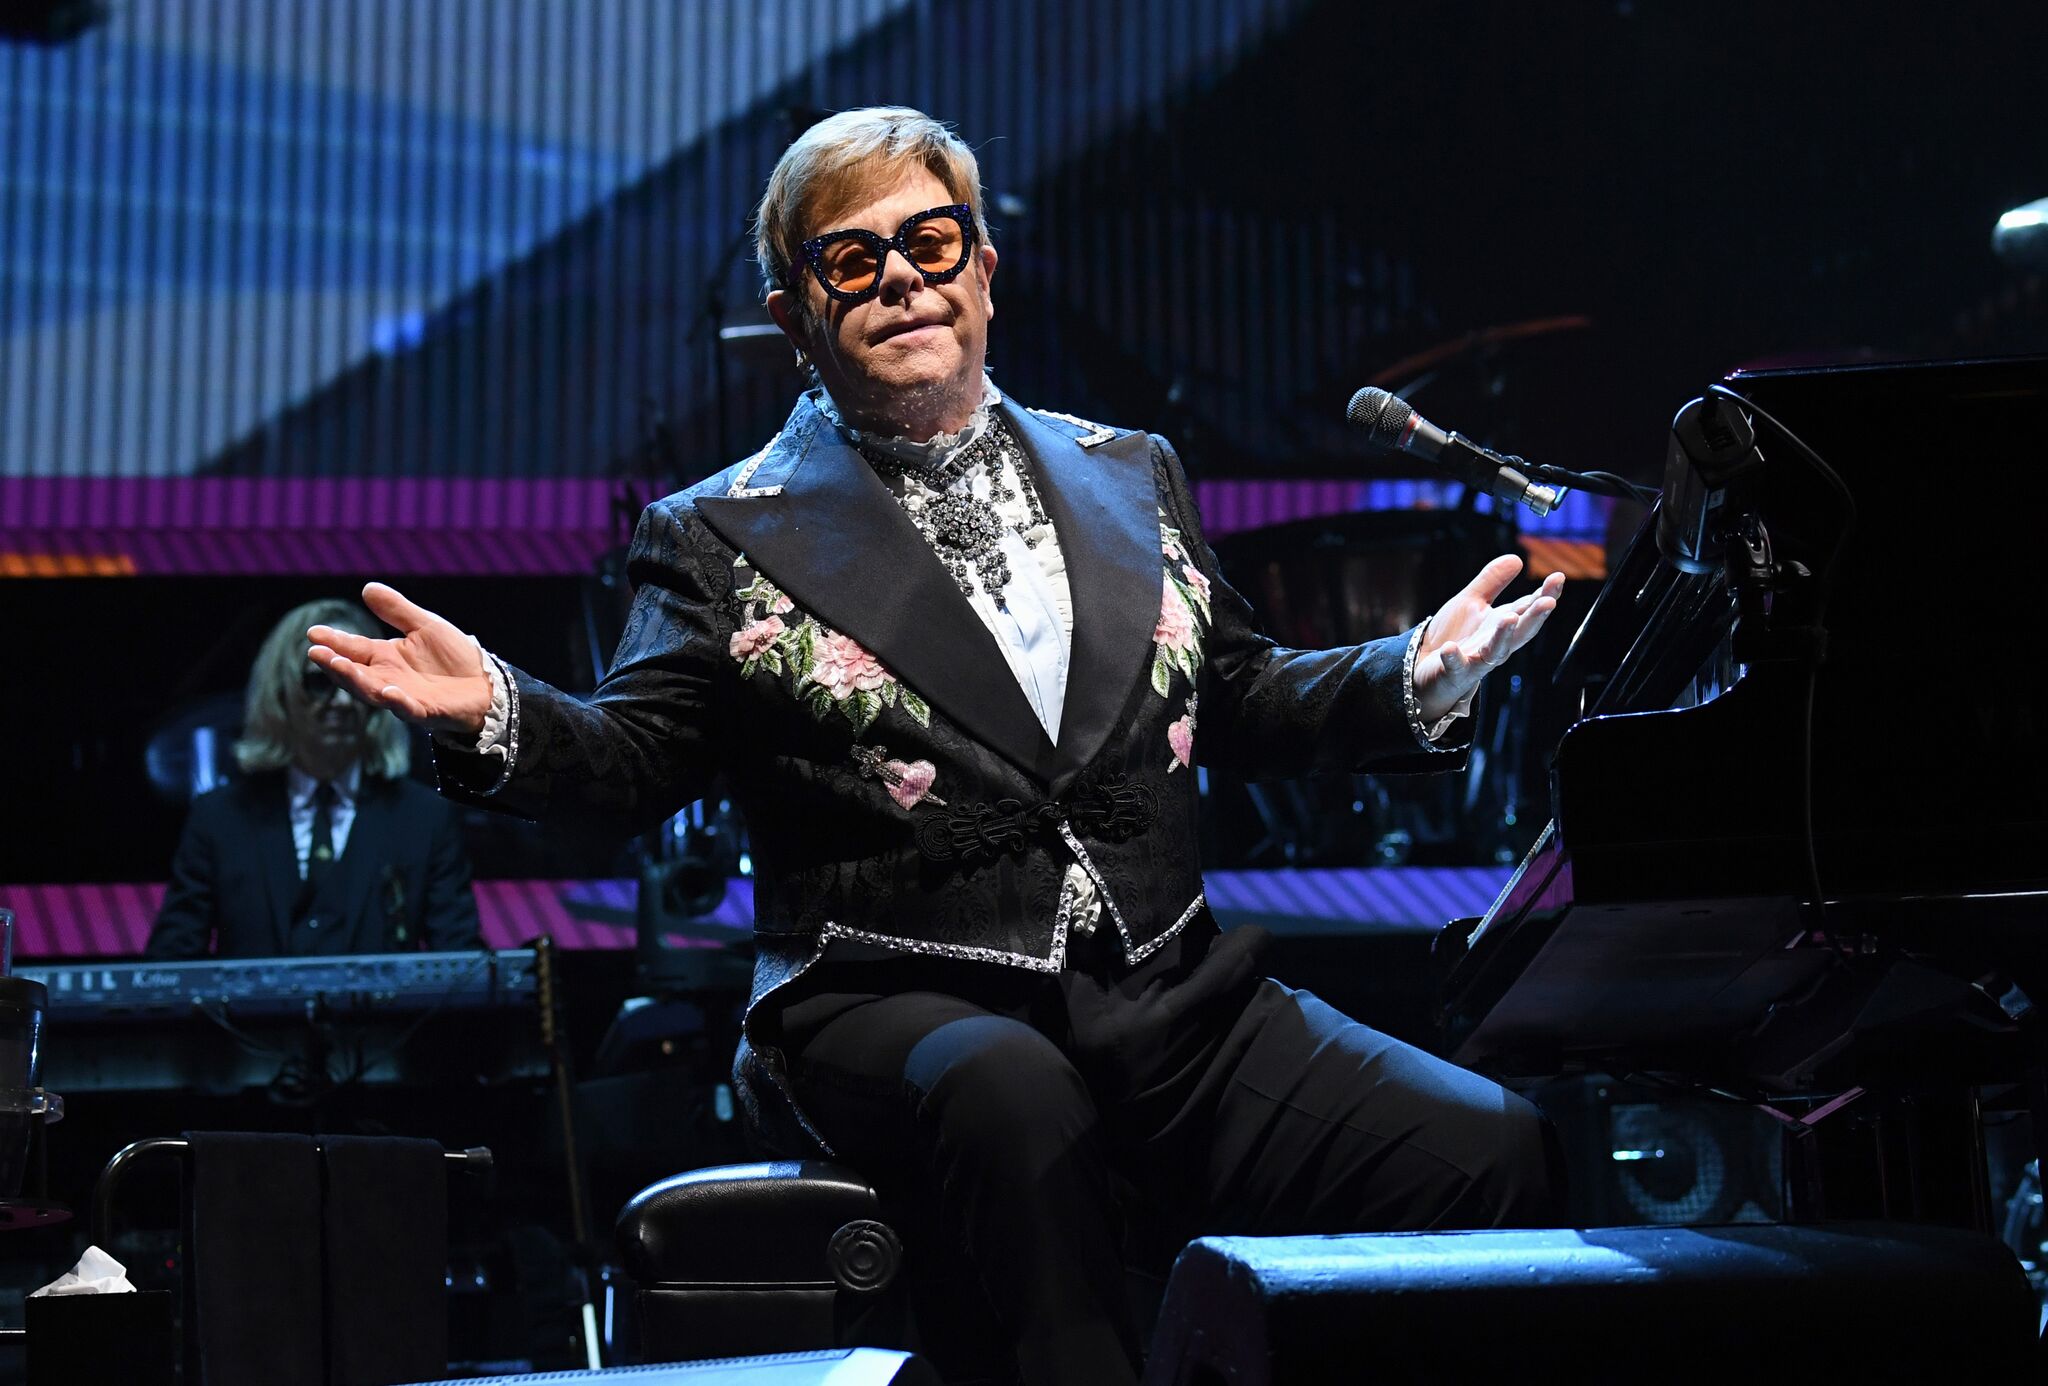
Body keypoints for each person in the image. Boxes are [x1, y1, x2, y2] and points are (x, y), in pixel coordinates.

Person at [309, 108, 1567, 1384]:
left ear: (981, 268)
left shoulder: (1131, 474)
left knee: (1495, 1152)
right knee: (1011, 1092)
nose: (900, 276)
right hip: (890, 993)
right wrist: (501, 716)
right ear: (793, 312)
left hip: (1169, 1001)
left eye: (929, 240)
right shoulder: (715, 535)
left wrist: (1409, 676)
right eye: (850, 260)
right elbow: (637, 757)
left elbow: (1235, 692)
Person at [147, 600, 483, 959]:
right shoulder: (219, 819)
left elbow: (462, 968)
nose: (342, 701)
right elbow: (170, 966)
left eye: (357, 684)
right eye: (320, 682)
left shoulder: (425, 819)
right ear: (282, 694)